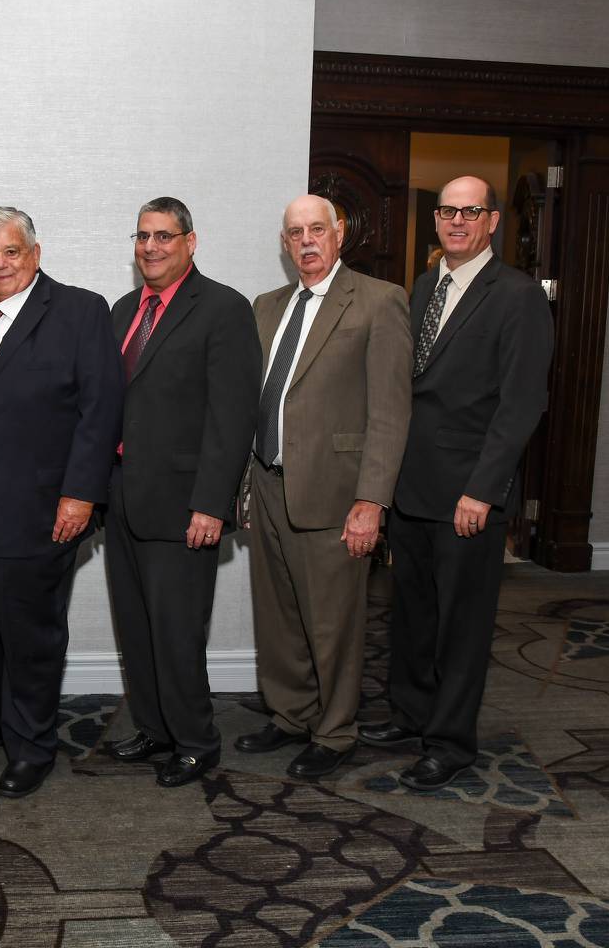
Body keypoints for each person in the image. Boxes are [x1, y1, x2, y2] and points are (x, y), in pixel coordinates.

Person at [360, 176, 553, 790]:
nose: (458, 221)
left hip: (468, 492)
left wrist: (484, 489)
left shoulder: (518, 296)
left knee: (461, 626)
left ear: (493, 221)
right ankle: (411, 714)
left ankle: (449, 742)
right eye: (448, 211)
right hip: (412, 484)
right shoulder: (423, 287)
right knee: (412, 612)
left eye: (471, 212)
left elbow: (521, 405)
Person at [0, 206, 124, 799]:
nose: (0, 264)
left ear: (35, 254)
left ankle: (32, 746)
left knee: (30, 638)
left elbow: (101, 409)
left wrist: (81, 494)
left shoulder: (79, 311)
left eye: (11, 252)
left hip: (36, 510)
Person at [236, 194, 412, 779]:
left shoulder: (379, 302)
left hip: (338, 493)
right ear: (284, 244)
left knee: (333, 621)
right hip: (267, 482)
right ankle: (290, 716)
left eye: (317, 229)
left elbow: (390, 412)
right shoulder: (267, 307)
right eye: (294, 233)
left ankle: (335, 732)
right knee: (278, 613)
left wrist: (371, 501)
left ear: (340, 234)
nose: (306, 241)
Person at [102, 197, 261, 788]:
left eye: (164, 236)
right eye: (143, 236)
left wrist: (211, 504)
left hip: (184, 503)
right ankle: (155, 728)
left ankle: (196, 740)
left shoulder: (222, 309)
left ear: (190, 242)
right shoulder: (124, 311)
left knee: (177, 629)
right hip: (122, 494)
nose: (151, 247)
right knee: (137, 625)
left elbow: (233, 416)